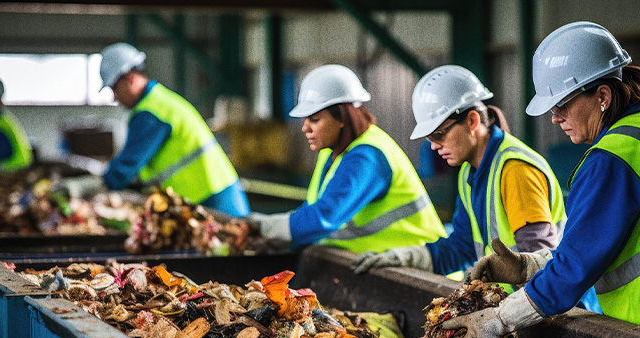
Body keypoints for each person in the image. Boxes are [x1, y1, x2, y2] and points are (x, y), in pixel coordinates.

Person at [443, 21, 640, 338]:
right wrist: (527, 266)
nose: (554, 118)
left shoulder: (613, 158)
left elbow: (573, 272)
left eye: (561, 106)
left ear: (603, 97)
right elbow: (601, 241)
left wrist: (498, 321)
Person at [353, 65, 567, 282]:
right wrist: (405, 257)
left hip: (559, 311)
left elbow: (538, 266)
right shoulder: (470, 172)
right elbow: (460, 248)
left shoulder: (515, 169)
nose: (434, 147)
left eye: (439, 134)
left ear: (472, 121)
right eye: (430, 138)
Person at [250, 64, 446, 252]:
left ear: (342, 118)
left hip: (422, 269)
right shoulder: (331, 152)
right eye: (305, 119)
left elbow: (324, 217)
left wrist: (260, 227)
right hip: (383, 264)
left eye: (315, 119)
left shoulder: (367, 157)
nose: (305, 128)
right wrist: (274, 239)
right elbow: (312, 214)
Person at [95, 42, 249, 217]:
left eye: (114, 88)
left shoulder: (151, 112)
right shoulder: (159, 102)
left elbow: (125, 168)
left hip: (211, 199)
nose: (114, 96)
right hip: (212, 192)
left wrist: (97, 184)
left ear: (130, 78)